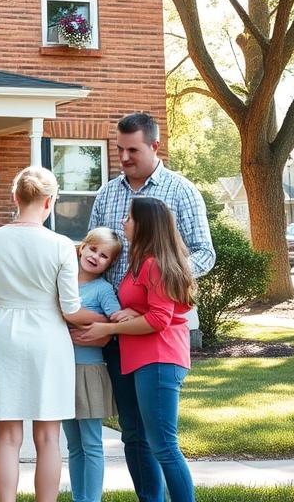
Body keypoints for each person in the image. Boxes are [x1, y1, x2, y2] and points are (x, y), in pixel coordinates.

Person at [84, 112, 214, 502]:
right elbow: (94, 252)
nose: (123, 157)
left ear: (155, 146)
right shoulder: (107, 193)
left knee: (160, 437)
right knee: (133, 432)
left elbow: (205, 253)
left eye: (132, 150)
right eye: (118, 149)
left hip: (156, 331)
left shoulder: (181, 191)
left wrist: (163, 281)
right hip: (116, 325)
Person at [0, 166, 100, 502]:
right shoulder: (62, 245)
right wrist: (105, 319)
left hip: (4, 334)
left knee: (7, 437)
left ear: (15, 198)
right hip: (48, 339)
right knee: (49, 438)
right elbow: (70, 309)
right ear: (50, 201)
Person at [84, 197, 197, 502]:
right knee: (134, 437)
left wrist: (108, 328)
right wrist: (134, 312)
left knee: (163, 444)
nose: (123, 222)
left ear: (144, 224)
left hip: (159, 358)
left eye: (129, 218)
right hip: (137, 358)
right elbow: (154, 308)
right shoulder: (141, 262)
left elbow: (160, 320)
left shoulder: (155, 264)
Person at [62, 227, 123, 502]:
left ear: (110, 263)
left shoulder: (103, 289)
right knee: (73, 446)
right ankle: (79, 497)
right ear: (81, 247)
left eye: (105, 256)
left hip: (89, 372)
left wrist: (99, 325)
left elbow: (115, 323)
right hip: (61, 372)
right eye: (93, 249)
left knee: (91, 444)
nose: (96, 257)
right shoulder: (61, 281)